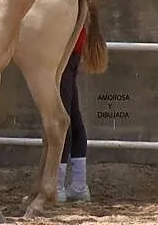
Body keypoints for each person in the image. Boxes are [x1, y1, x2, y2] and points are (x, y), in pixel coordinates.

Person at [57, 25, 91, 202]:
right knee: (73, 117)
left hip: (64, 49)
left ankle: (58, 186)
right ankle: (78, 185)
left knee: (63, 119)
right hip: (74, 49)